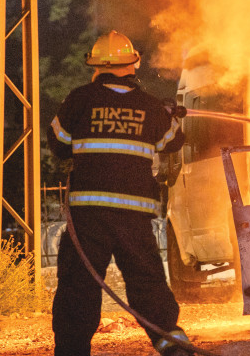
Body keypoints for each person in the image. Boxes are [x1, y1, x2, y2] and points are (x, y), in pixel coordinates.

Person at [47, 30, 193, 356]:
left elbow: (58, 143)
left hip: (88, 217)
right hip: (133, 217)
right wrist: (167, 114)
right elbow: (173, 142)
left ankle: (71, 350)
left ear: (96, 67)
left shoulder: (79, 99)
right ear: (133, 65)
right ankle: (171, 341)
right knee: (147, 282)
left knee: (78, 287)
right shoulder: (150, 106)